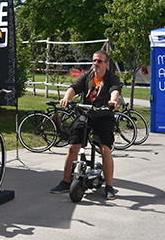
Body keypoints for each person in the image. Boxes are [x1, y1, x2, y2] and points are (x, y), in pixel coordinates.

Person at [50, 50, 121, 200]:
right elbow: (74, 87)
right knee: (73, 147)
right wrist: (66, 97)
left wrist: (113, 101)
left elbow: (115, 91)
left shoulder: (112, 78)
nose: (95, 63)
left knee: (105, 149)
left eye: (99, 61)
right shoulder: (87, 75)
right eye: (94, 61)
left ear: (106, 64)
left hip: (103, 115)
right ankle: (66, 181)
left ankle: (109, 186)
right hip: (85, 113)